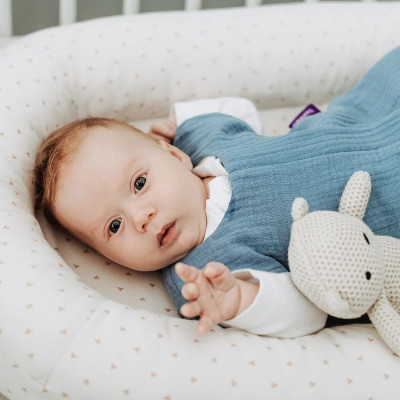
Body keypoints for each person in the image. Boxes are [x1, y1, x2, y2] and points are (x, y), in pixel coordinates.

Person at [34, 46, 400, 338]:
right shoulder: (204, 274)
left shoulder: (201, 143)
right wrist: (242, 299)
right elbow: (309, 310)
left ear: (174, 154)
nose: (140, 217)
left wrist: (181, 120)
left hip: (363, 115)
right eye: (113, 227)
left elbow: (240, 112)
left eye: (140, 184)